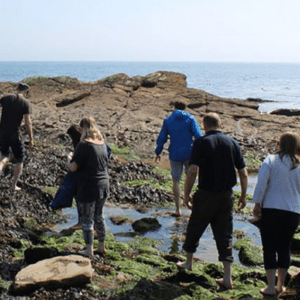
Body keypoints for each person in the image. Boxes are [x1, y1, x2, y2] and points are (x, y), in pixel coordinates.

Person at [176, 112, 248, 290]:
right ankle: (227, 277)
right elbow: (243, 172)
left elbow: (193, 171)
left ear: (205, 125)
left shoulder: (201, 142)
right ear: (219, 124)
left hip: (206, 194)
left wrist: (186, 194)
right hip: (226, 196)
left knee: (195, 227)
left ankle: (189, 262)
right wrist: (243, 195)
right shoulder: (233, 143)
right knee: (225, 234)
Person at [252, 132, 300, 297]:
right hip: (293, 212)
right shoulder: (299, 165)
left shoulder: (271, 160)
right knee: (284, 248)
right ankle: (281, 286)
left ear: (280, 143)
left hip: (271, 209)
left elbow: (262, 183)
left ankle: (271, 287)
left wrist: (257, 203)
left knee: (270, 247)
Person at [69, 116, 110, 258]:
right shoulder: (102, 143)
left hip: (88, 186)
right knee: (99, 216)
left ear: (82, 129)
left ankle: (89, 250)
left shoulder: (83, 145)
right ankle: (101, 247)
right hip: (104, 184)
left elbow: (74, 168)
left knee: (87, 219)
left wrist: (70, 159)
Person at [155, 99, 202, 216]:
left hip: (175, 153)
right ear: (185, 107)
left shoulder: (168, 120)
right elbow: (199, 136)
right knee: (190, 177)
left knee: (176, 181)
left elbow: (162, 138)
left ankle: (177, 209)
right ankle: (190, 203)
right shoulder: (190, 118)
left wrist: (158, 152)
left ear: (174, 107)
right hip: (189, 152)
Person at [0, 83, 33, 191]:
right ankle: (13, 185)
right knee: (19, 159)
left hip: (3, 132)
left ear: (16, 89)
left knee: (4, 155)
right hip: (15, 134)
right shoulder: (25, 103)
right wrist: (31, 139)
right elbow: (28, 123)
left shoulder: (6, 97)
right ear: (26, 92)